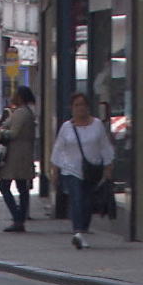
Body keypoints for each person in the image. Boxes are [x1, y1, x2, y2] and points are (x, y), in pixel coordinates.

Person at [50, 92, 114, 249]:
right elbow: (58, 149)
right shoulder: (66, 127)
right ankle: (78, 232)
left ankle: (83, 230)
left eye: (83, 104)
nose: (80, 108)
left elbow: (105, 146)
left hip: (92, 170)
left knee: (87, 202)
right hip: (71, 169)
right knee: (77, 199)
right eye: (76, 105)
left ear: (88, 106)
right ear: (71, 108)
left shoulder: (97, 125)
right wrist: (55, 171)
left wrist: (108, 168)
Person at [0, 86, 36, 232]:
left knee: (5, 185)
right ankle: (20, 217)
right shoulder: (25, 112)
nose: (13, 97)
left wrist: (2, 132)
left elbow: (13, 133)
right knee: (22, 187)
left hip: (15, 156)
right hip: (22, 155)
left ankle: (18, 217)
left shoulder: (21, 113)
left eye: (15, 95)